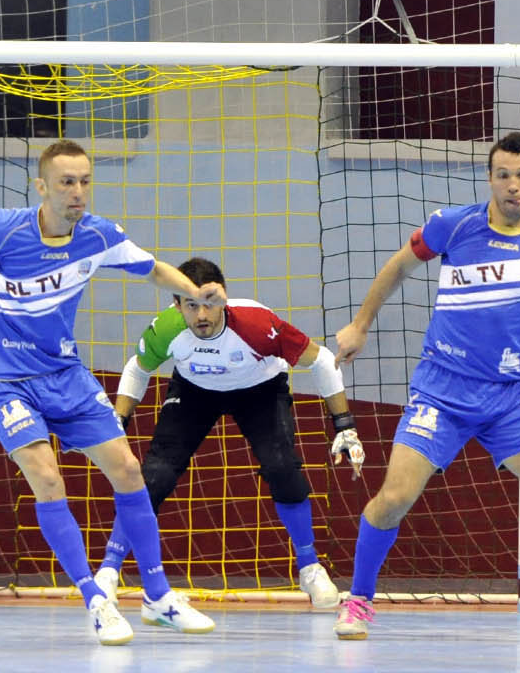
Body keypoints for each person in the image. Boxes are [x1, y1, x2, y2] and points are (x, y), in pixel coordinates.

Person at [0, 139, 215, 645]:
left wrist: (195, 293)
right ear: (42, 187)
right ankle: (96, 599)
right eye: (67, 182)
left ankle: (158, 598)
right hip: (4, 377)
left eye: (85, 181)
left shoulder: (98, 236)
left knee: (128, 470)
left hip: (64, 374)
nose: (78, 192)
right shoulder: (7, 229)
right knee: (47, 477)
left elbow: (155, 269)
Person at [330, 131, 520, 640]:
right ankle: (359, 599)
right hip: (440, 392)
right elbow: (398, 266)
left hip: (507, 398)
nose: (513, 185)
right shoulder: (453, 225)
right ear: (490, 179)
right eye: (503, 175)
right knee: (393, 498)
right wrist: (360, 325)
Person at [92, 257, 367, 610]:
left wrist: (344, 424)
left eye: (209, 304)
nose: (201, 315)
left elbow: (321, 359)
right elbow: (137, 368)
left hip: (260, 390)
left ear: (223, 298)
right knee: (155, 475)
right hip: (194, 390)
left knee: (282, 468)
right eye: (191, 306)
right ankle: (109, 570)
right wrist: (119, 419)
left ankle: (310, 568)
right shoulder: (167, 329)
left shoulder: (257, 324)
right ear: (177, 304)